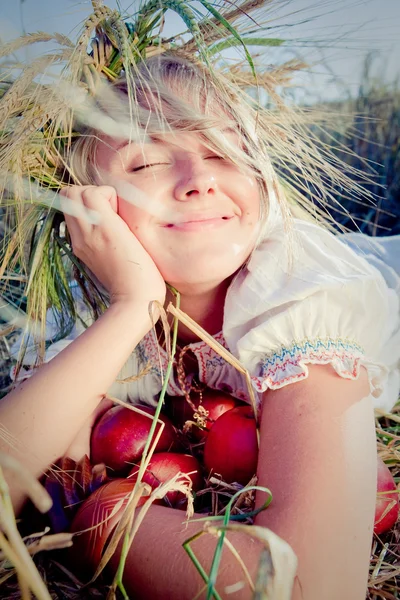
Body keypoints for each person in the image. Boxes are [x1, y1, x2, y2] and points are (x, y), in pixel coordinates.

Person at [0, 5, 399, 600]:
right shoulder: (93, 308)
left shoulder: (299, 293)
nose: (199, 177)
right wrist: (134, 303)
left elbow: (312, 585)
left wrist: (104, 524)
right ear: (89, 208)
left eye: (221, 150)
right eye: (148, 160)